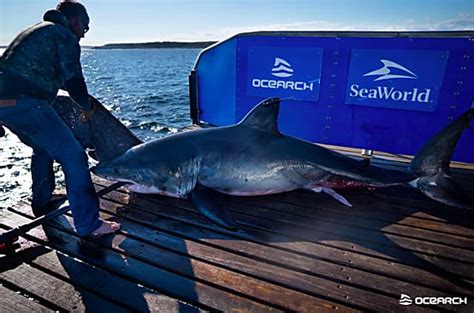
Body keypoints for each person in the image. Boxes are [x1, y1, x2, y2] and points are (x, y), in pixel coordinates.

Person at [0, 1, 120, 237]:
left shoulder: (38, 30)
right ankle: (89, 224)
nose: (84, 34)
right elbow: (74, 80)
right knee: (74, 156)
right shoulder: (64, 35)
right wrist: (86, 108)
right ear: (75, 20)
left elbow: (44, 74)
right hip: (26, 101)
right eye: (85, 28)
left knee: (42, 147)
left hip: (4, 104)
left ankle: (42, 199)